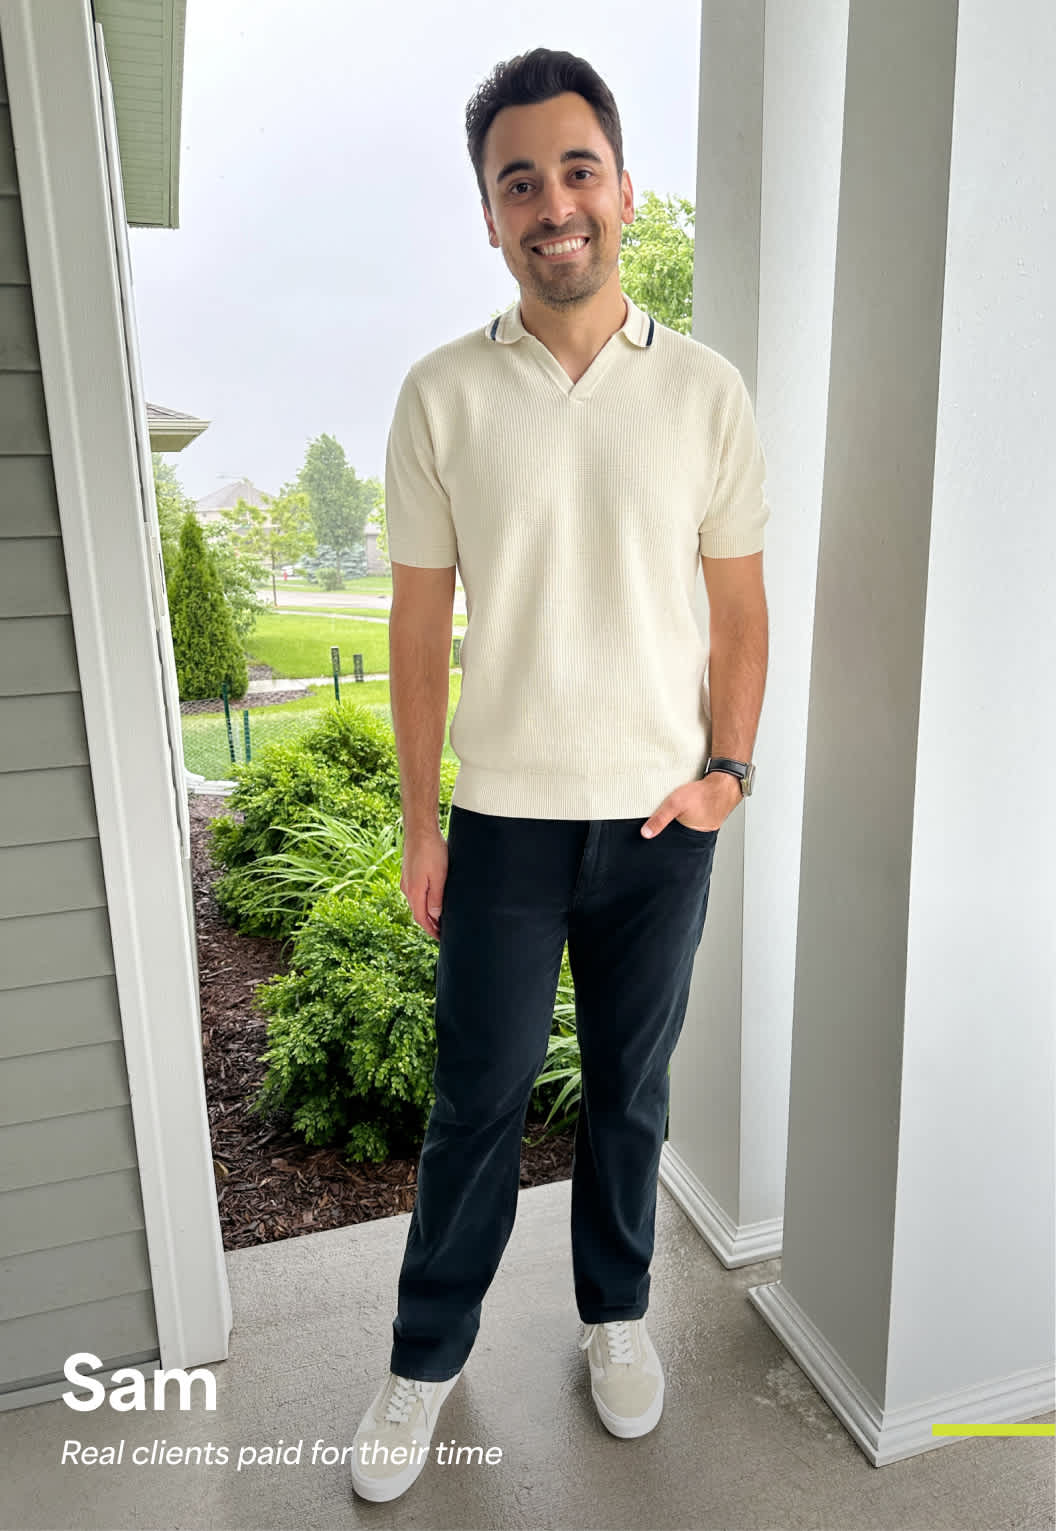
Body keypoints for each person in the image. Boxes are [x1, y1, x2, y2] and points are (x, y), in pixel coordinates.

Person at [350, 46, 770, 1504]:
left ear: (622, 189)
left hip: (662, 820)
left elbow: (739, 611)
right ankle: (424, 1356)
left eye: (574, 170)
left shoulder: (706, 392)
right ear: (489, 217)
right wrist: (420, 823)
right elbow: (416, 629)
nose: (553, 205)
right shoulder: (442, 396)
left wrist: (726, 773)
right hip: (507, 823)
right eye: (517, 182)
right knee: (476, 1097)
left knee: (629, 1097)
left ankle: (616, 1319)